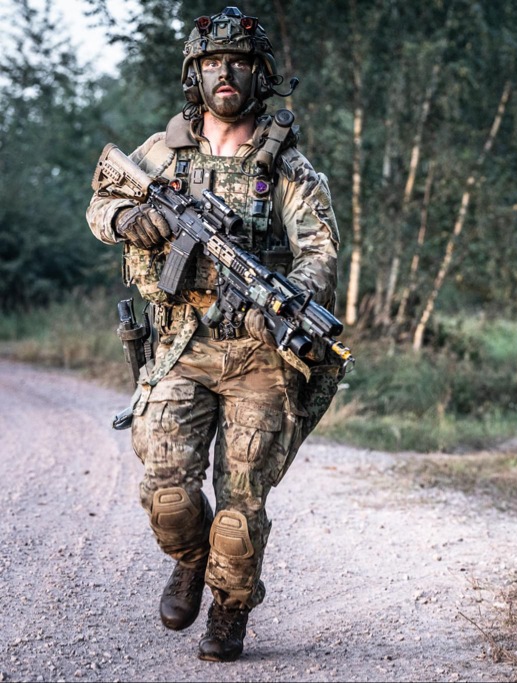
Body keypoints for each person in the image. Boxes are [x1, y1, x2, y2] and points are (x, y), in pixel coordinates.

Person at [86, 7, 340, 662]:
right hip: (179, 344)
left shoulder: (288, 167)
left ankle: (229, 606)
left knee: (239, 507)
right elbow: (101, 199)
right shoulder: (161, 152)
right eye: (211, 63)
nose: (224, 74)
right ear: (193, 76)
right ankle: (191, 561)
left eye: (239, 64)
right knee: (168, 494)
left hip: (258, 351)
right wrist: (127, 219)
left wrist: (285, 304)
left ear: (262, 76)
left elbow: (319, 253)